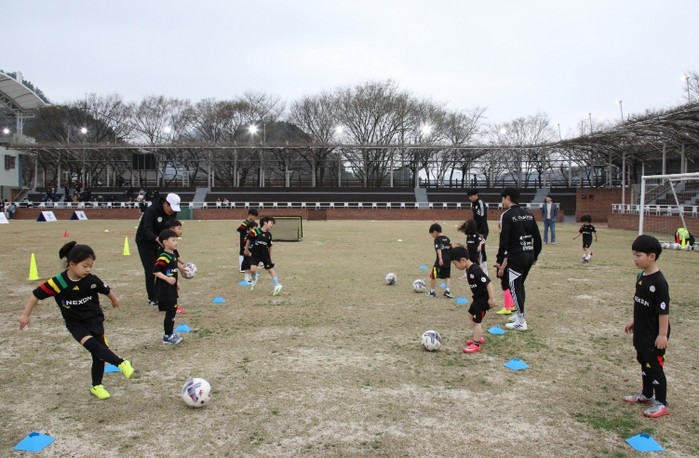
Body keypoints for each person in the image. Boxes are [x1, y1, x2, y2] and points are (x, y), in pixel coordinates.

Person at [18, 241, 134, 400]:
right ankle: (121, 363)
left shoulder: (91, 280)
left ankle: (96, 386)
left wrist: (114, 300)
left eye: (90, 266)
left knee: (99, 355)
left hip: (95, 320)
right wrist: (25, 315)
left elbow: (106, 289)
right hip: (76, 324)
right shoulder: (58, 282)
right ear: (71, 264)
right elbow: (35, 295)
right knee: (92, 345)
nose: (88, 270)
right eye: (85, 266)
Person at [623, 235, 671, 418]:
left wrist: (662, 334)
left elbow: (663, 312)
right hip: (642, 331)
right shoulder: (641, 276)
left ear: (652, 256)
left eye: (638, 255)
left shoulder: (659, 283)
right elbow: (641, 303)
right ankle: (647, 394)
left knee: (654, 366)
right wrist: (635, 321)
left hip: (654, 334)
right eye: (634, 255)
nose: (635, 259)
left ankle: (661, 403)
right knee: (644, 361)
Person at [495, 187, 542, 331]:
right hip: (528, 254)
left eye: (503, 199)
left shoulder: (506, 215)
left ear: (508, 198)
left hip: (516, 256)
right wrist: (535, 255)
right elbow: (537, 238)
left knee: (514, 287)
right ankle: (519, 314)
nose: (502, 202)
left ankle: (521, 321)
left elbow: (504, 240)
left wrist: (499, 260)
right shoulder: (529, 214)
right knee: (520, 285)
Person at [135, 192, 180, 306]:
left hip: (161, 242)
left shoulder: (172, 212)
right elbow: (146, 229)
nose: (172, 211)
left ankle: (162, 294)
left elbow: (170, 228)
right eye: (171, 208)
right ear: (165, 203)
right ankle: (152, 297)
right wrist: (156, 238)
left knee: (164, 267)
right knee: (151, 269)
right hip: (145, 242)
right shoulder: (151, 210)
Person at [450, 246, 496, 354]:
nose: (455, 267)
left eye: (455, 264)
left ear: (463, 260)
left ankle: (476, 344)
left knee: (476, 321)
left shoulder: (474, 270)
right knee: (470, 315)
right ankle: (477, 336)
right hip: (477, 299)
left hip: (483, 300)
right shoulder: (469, 269)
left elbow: (488, 283)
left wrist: (491, 298)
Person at [153, 229, 184, 345]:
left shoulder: (173, 255)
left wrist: (176, 283)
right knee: (171, 312)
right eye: (173, 240)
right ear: (165, 242)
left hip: (171, 288)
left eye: (176, 240)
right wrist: (167, 279)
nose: (176, 242)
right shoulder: (164, 257)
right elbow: (155, 271)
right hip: (165, 290)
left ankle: (170, 333)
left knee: (173, 310)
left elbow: (172, 271)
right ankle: (167, 336)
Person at [245, 216, 283, 296]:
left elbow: (270, 246)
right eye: (271, 223)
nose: (272, 225)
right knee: (252, 270)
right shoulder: (255, 231)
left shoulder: (269, 235)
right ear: (265, 222)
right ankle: (254, 279)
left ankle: (277, 285)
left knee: (270, 270)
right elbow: (248, 240)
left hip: (265, 255)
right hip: (255, 254)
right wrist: (246, 249)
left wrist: (270, 258)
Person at [163, 218, 189, 314]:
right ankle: (173, 307)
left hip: (171, 271)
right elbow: (171, 260)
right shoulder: (165, 245)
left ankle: (168, 306)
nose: (181, 231)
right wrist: (181, 267)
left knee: (172, 289)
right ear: (172, 229)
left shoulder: (172, 243)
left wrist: (186, 265)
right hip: (166, 272)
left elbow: (177, 257)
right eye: (179, 228)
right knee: (170, 290)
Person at [426, 223, 454, 298]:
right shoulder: (447, 239)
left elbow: (439, 249)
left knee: (433, 275)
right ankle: (448, 290)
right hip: (448, 260)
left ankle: (432, 292)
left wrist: (440, 259)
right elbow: (451, 248)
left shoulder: (437, 239)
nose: (432, 236)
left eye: (432, 234)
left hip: (440, 260)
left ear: (435, 232)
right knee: (447, 276)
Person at [467, 189, 489, 272]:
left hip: (483, 230)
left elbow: (483, 217)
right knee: (473, 249)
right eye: (469, 196)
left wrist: (482, 232)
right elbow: (475, 218)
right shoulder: (473, 204)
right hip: (476, 230)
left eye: (471, 196)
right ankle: (473, 269)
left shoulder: (481, 204)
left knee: (481, 249)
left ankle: (485, 270)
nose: (469, 198)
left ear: (476, 195)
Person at [237, 208, 259, 279]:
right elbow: (239, 231)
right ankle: (242, 267)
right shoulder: (245, 223)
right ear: (250, 215)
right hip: (243, 240)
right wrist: (237, 240)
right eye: (254, 216)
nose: (255, 218)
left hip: (250, 240)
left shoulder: (253, 223)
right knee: (242, 252)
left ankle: (250, 268)